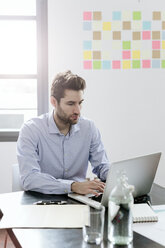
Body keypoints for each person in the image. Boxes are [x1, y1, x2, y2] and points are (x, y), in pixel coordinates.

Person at [17, 71, 110, 195]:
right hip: (42, 200)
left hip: (80, 199)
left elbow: (102, 166)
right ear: (54, 102)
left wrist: (118, 179)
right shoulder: (31, 130)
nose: (77, 110)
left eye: (80, 103)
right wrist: (73, 186)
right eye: (71, 104)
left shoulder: (89, 128)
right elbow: (29, 178)